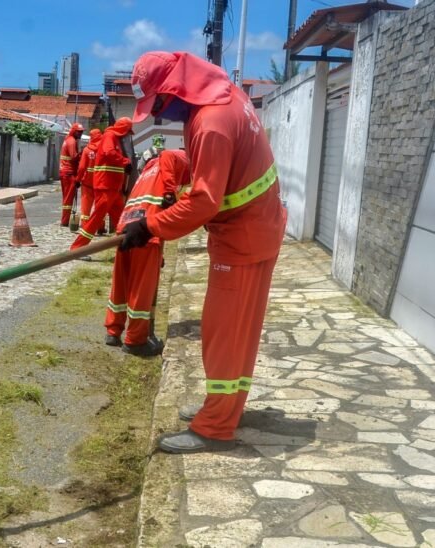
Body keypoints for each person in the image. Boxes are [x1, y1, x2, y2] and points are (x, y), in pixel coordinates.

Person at [122, 51, 286, 453]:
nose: (161, 115)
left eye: (158, 104)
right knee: (237, 332)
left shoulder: (209, 123)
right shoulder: (227, 95)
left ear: (175, 90)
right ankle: (224, 407)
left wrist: (150, 226)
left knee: (224, 333)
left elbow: (205, 201)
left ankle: (214, 427)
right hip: (257, 229)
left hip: (243, 239)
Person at [105, 149, 189, 357]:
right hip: (146, 231)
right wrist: (171, 192)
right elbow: (170, 156)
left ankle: (113, 330)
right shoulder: (179, 158)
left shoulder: (147, 172)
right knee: (142, 287)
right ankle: (135, 340)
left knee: (121, 283)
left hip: (126, 226)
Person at [70, 117, 133, 249]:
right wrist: (125, 162)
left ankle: (128, 248)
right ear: (123, 129)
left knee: (121, 219)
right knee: (96, 218)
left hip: (113, 187)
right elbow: (108, 153)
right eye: (127, 131)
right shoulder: (110, 136)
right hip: (106, 186)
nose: (128, 135)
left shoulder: (114, 139)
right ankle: (77, 247)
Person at [59, 123, 84, 227]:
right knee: (68, 198)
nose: (81, 133)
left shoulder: (67, 139)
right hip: (69, 173)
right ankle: (64, 221)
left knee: (66, 197)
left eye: (82, 131)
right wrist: (83, 154)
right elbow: (74, 157)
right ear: (74, 131)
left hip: (64, 172)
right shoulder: (72, 141)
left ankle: (65, 220)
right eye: (79, 131)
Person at [76, 128, 103, 227]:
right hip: (100, 182)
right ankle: (100, 226)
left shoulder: (87, 150)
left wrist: (78, 180)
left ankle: (85, 225)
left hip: (87, 182)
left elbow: (82, 167)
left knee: (86, 205)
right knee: (99, 206)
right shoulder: (104, 149)